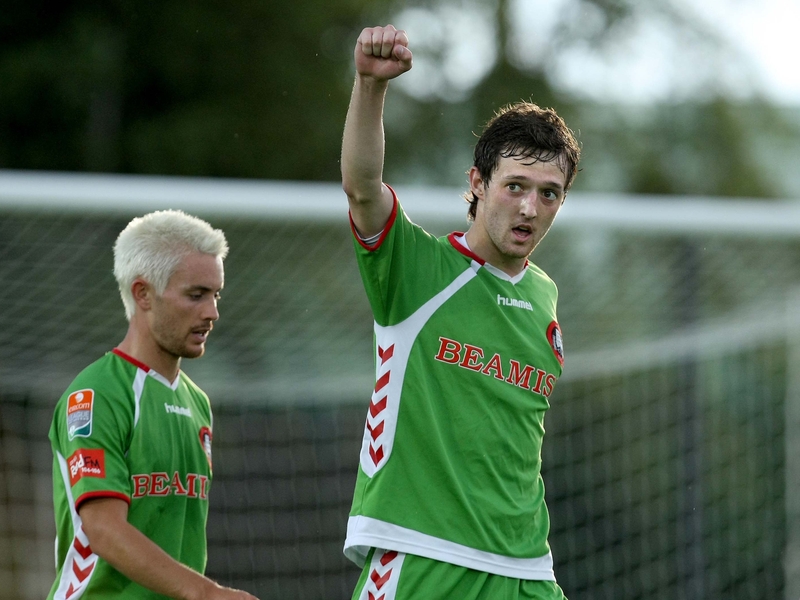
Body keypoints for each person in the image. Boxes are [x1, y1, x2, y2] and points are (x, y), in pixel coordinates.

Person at [341, 25, 581, 600]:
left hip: (527, 568)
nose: (530, 208)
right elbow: (363, 188)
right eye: (515, 186)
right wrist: (370, 86)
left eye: (548, 193)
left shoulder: (543, 296)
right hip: (422, 553)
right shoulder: (416, 268)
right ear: (477, 182)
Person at [47, 210, 258, 600]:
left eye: (215, 295)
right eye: (196, 295)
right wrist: (206, 593)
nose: (212, 312)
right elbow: (103, 530)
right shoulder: (96, 395)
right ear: (143, 293)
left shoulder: (197, 402)